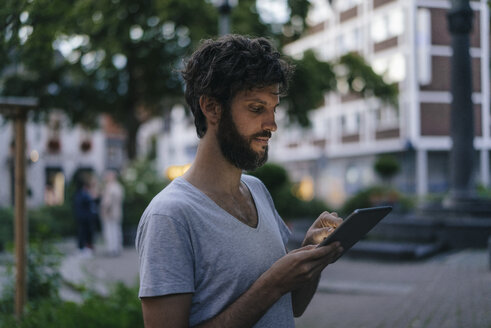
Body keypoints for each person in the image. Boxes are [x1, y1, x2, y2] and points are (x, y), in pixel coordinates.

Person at [136, 34, 343, 328]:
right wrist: (271, 283)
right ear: (211, 108)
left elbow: (291, 305)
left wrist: (312, 257)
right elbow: (272, 289)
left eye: (274, 110)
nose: (271, 125)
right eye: (257, 109)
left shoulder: (257, 190)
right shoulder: (170, 216)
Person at [100, 170, 125, 256]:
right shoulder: (117, 187)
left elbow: (108, 201)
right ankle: (115, 248)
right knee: (114, 230)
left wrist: (105, 208)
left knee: (111, 231)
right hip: (114, 212)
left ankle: (113, 248)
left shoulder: (112, 187)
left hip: (111, 213)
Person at [73, 176, 98, 257]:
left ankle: (84, 248)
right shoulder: (85, 194)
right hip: (85, 218)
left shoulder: (81, 194)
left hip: (83, 217)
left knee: (84, 232)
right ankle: (85, 248)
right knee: (85, 233)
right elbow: (91, 202)